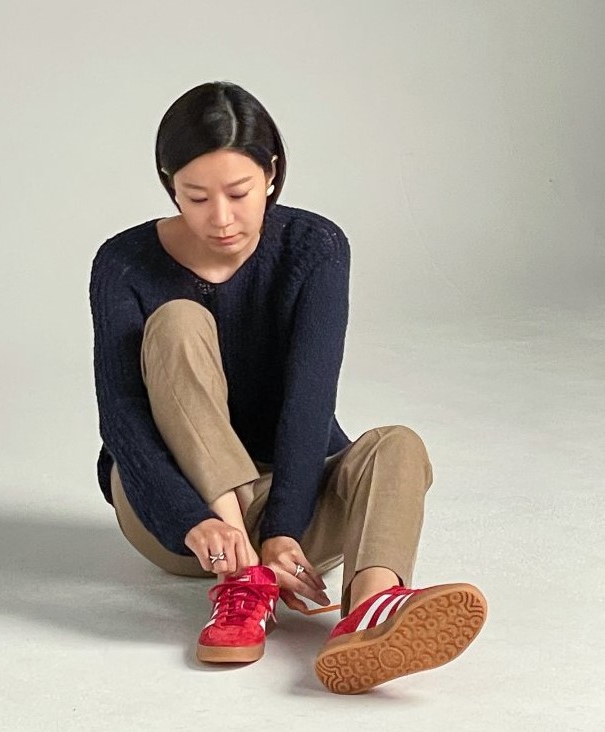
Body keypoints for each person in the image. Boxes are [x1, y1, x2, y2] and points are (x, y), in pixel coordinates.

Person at [89, 80, 487, 695]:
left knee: (398, 445)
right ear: (169, 184)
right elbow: (121, 419)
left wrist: (283, 530)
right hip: (177, 517)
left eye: (238, 193)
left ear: (271, 174)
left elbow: (310, 401)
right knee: (178, 321)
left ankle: (370, 613)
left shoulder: (314, 246)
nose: (221, 218)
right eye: (196, 197)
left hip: (288, 507)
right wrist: (196, 521)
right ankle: (241, 584)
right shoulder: (123, 262)